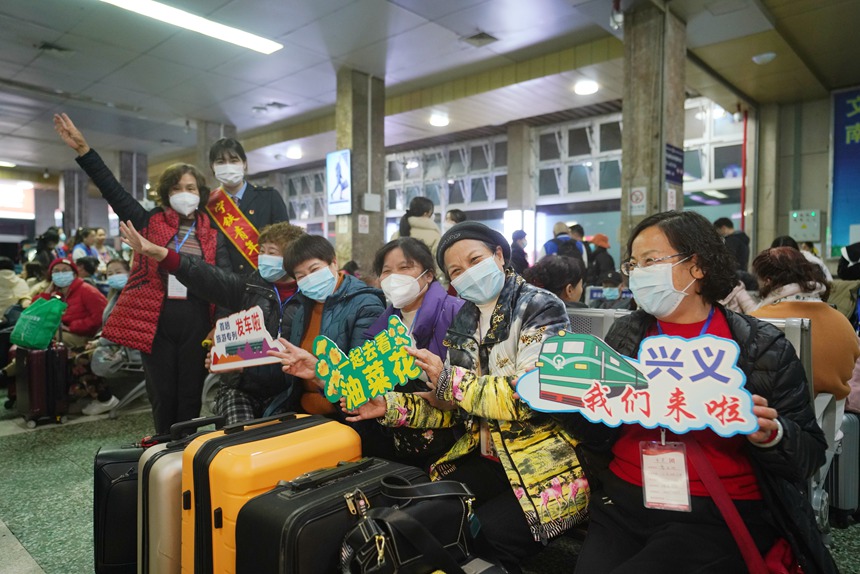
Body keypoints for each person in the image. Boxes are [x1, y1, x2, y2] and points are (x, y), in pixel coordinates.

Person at [563, 210, 836, 574]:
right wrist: (571, 400)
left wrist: (772, 435)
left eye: (652, 261)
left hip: (714, 510)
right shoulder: (626, 335)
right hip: (622, 500)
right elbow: (601, 435)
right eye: (635, 263)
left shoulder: (760, 346)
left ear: (697, 266)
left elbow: (809, 454)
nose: (639, 273)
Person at [343, 222, 589, 573]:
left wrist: (447, 380)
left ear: (499, 256)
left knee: (487, 536)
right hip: (487, 458)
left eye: (476, 260)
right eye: (457, 270)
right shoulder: (465, 319)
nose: (468, 273)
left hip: (543, 467)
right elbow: (453, 409)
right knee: (422, 520)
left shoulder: (539, 306)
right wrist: (392, 407)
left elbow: (528, 398)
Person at [54, 112, 218, 434]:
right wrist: (85, 150)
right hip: (154, 317)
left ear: (200, 192)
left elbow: (220, 280)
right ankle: (162, 448)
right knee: (162, 395)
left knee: (190, 396)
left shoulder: (212, 232)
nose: (185, 192)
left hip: (197, 318)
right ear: (166, 193)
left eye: (191, 187)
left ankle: (184, 455)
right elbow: (112, 191)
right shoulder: (147, 221)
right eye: (177, 187)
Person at [120, 220, 306, 424]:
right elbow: (205, 275)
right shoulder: (247, 287)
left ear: (292, 257)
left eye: (272, 252)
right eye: (262, 251)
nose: (264, 258)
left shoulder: (309, 297)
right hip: (240, 387)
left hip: (288, 390)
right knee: (240, 440)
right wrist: (159, 253)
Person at [362, 237, 464, 470]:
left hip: (450, 440)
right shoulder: (381, 327)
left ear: (428, 275)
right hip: (398, 435)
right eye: (386, 271)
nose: (394, 276)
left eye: (405, 267)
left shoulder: (457, 312)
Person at [267, 235, 386, 422]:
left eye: (314, 269)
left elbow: (362, 379)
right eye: (301, 276)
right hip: (300, 411)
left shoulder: (365, 304)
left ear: (334, 263)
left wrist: (318, 371)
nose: (309, 279)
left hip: (344, 416)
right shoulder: (302, 309)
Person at [751, 247, 860, 405]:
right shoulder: (843, 322)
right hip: (832, 423)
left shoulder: (756, 323)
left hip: (771, 421)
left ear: (767, 281)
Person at [208, 137, 290, 275]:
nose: (228, 166)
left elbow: (286, 243)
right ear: (212, 167)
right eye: (221, 162)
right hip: (224, 285)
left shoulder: (269, 197)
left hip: (264, 281)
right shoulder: (208, 205)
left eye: (234, 160)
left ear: (244, 164)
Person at [74, 258, 136, 416]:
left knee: (81, 358)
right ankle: (94, 395)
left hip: (132, 348)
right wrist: (98, 340)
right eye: (109, 273)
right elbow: (109, 325)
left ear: (130, 272)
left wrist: (99, 342)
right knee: (73, 353)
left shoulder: (136, 295)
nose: (114, 276)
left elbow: (127, 329)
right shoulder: (115, 296)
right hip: (115, 343)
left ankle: (105, 399)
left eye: (118, 272)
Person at [36, 258, 107, 349]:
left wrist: (73, 327)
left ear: (74, 274)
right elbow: (36, 312)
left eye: (65, 270)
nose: (60, 274)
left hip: (85, 336)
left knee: (45, 336)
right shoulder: (56, 293)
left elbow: (100, 317)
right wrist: (47, 293)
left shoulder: (87, 291)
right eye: (56, 271)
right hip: (62, 331)